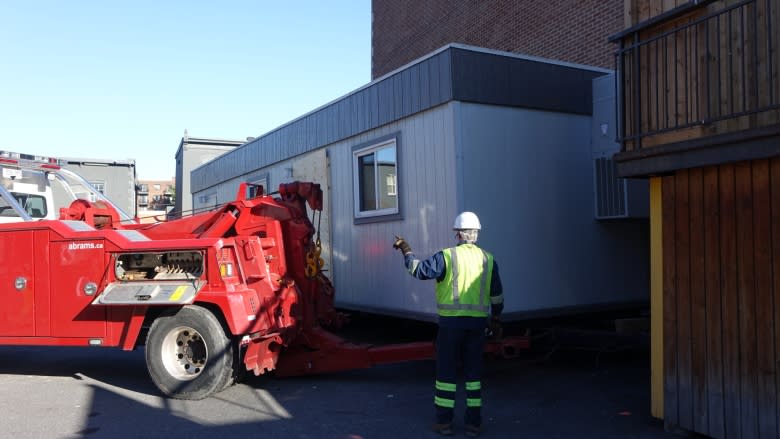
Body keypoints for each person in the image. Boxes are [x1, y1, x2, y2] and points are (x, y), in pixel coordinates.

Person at [393, 211, 504, 438]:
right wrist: (496, 318)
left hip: (451, 326)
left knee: (446, 374)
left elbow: (418, 270)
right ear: (476, 234)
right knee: (473, 376)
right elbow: (497, 296)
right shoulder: (489, 259)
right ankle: (474, 425)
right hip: (477, 327)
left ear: (458, 234)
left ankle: (444, 424)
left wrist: (406, 249)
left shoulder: (447, 256)